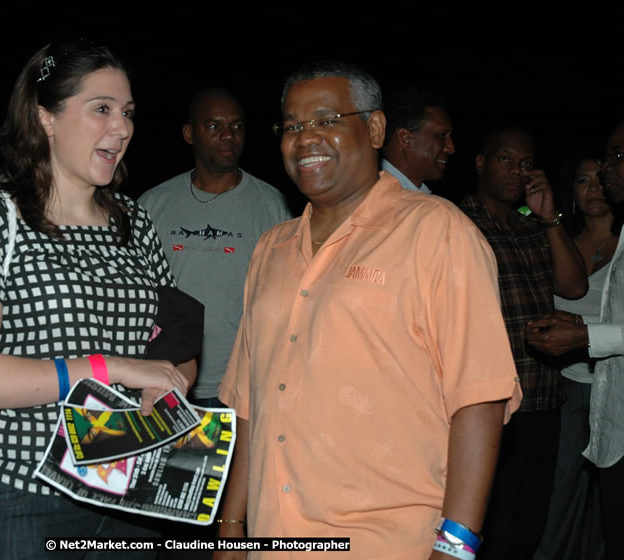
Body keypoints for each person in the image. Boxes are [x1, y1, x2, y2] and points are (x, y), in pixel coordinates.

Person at [216, 60, 521, 559]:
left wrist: (456, 546)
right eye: (292, 126)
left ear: (376, 128)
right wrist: (231, 529)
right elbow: (251, 405)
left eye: (326, 120)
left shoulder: (436, 233)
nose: (305, 138)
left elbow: (479, 399)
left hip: (390, 544)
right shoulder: (271, 249)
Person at [0, 40, 193, 559]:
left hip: (128, 492)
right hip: (19, 499)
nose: (121, 128)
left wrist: (171, 384)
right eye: (101, 109)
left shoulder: (135, 222)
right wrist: (112, 368)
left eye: (128, 113)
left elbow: (177, 342)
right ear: (44, 116)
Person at [457, 126, 587, 559]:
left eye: (526, 163)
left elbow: (574, 287)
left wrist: (549, 218)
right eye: (505, 159)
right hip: (491, 405)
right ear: (481, 163)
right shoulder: (454, 222)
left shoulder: (531, 226)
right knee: (487, 529)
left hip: (545, 397)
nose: (517, 170)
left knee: (530, 527)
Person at [138, 88, 290, 407]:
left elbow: (289, 299)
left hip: (242, 385)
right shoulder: (153, 204)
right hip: (164, 381)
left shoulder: (271, 205)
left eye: (237, 126)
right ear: (189, 133)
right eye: (214, 126)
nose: (228, 136)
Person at [526, 121, 624, 560]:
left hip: (615, 382)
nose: (596, 185)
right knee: (560, 490)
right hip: (568, 382)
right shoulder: (559, 242)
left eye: (602, 174)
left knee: (609, 499)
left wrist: (583, 331)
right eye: (583, 180)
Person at [381, 87, 455, 194]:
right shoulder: (378, 197)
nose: (451, 148)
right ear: (405, 139)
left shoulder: (414, 196)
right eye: (441, 135)